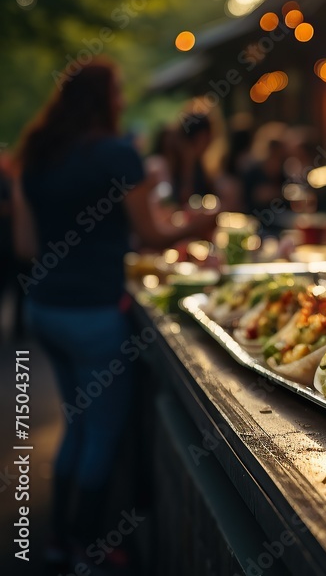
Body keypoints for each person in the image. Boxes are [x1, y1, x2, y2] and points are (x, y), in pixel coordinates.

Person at [12, 59, 216, 568]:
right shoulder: (117, 155)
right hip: (95, 315)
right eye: (118, 92)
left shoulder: (35, 154)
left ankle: (58, 538)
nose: (123, 101)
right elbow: (152, 235)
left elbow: (24, 243)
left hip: (44, 309)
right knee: (100, 429)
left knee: (77, 424)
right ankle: (87, 544)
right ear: (102, 100)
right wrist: (201, 224)